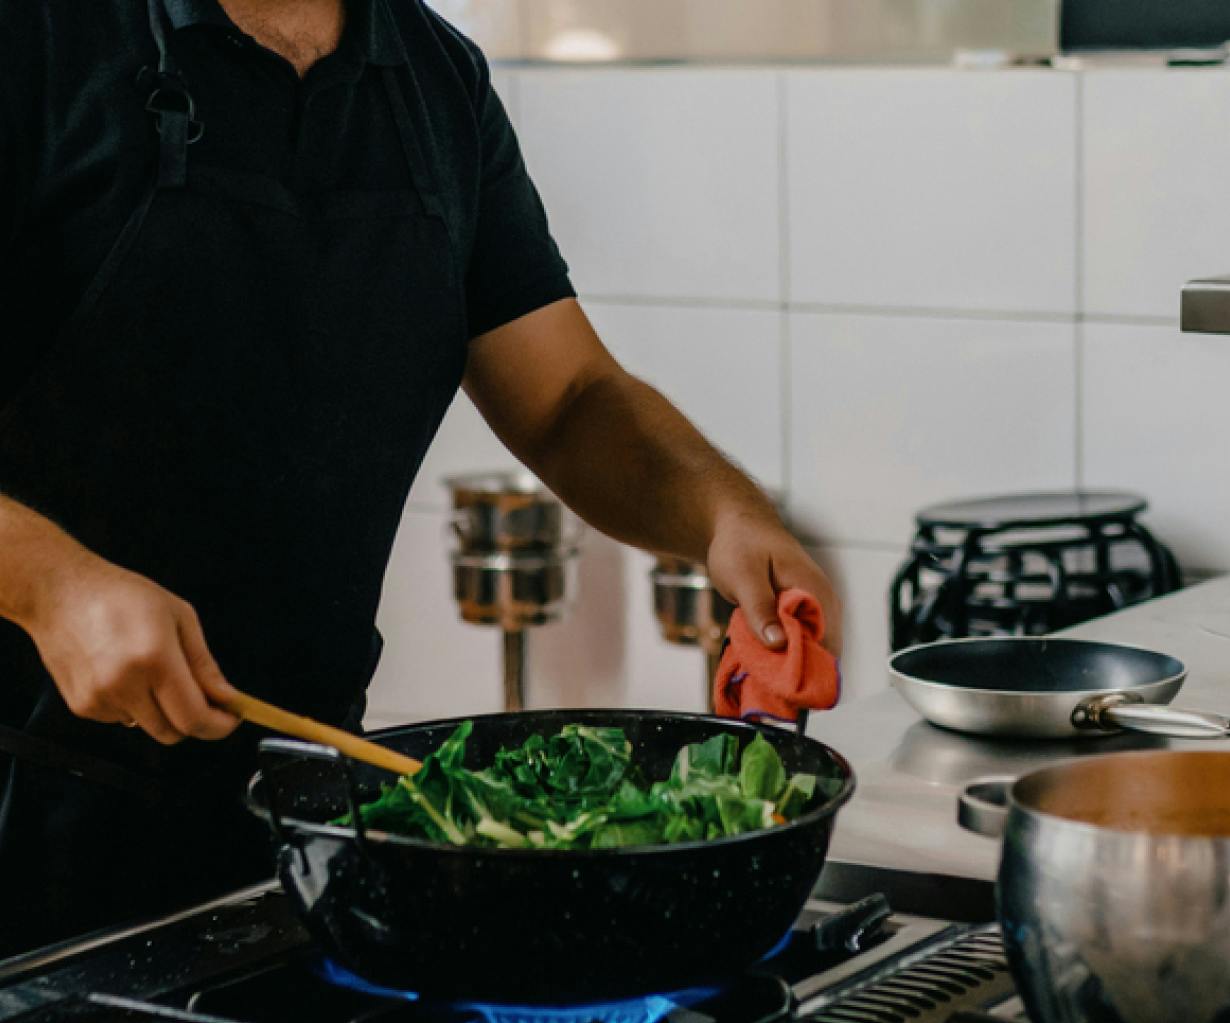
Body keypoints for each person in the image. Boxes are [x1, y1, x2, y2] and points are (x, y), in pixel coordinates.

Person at [0, 0, 841, 958]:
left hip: (307, 824)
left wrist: (721, 516)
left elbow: (567, 398)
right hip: (24, 831)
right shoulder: (36, 39)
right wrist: (51, 587)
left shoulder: (436, 80)